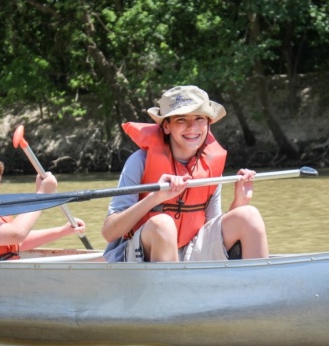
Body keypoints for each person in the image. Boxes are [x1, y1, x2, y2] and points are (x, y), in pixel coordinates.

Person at [101, 85, 269, 262]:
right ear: (166, 126)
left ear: (208, 124)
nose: (192, 127)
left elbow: (212, 228)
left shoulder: (210, 167)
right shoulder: (139, 161)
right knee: (163, 224)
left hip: (190, 249)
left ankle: (260, 286)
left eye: (199, 118)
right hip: (141, 254)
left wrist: (239, 202)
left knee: (248, 214)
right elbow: (109, 232)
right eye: (181, 119)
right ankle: (171, 287)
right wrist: (155, 198)